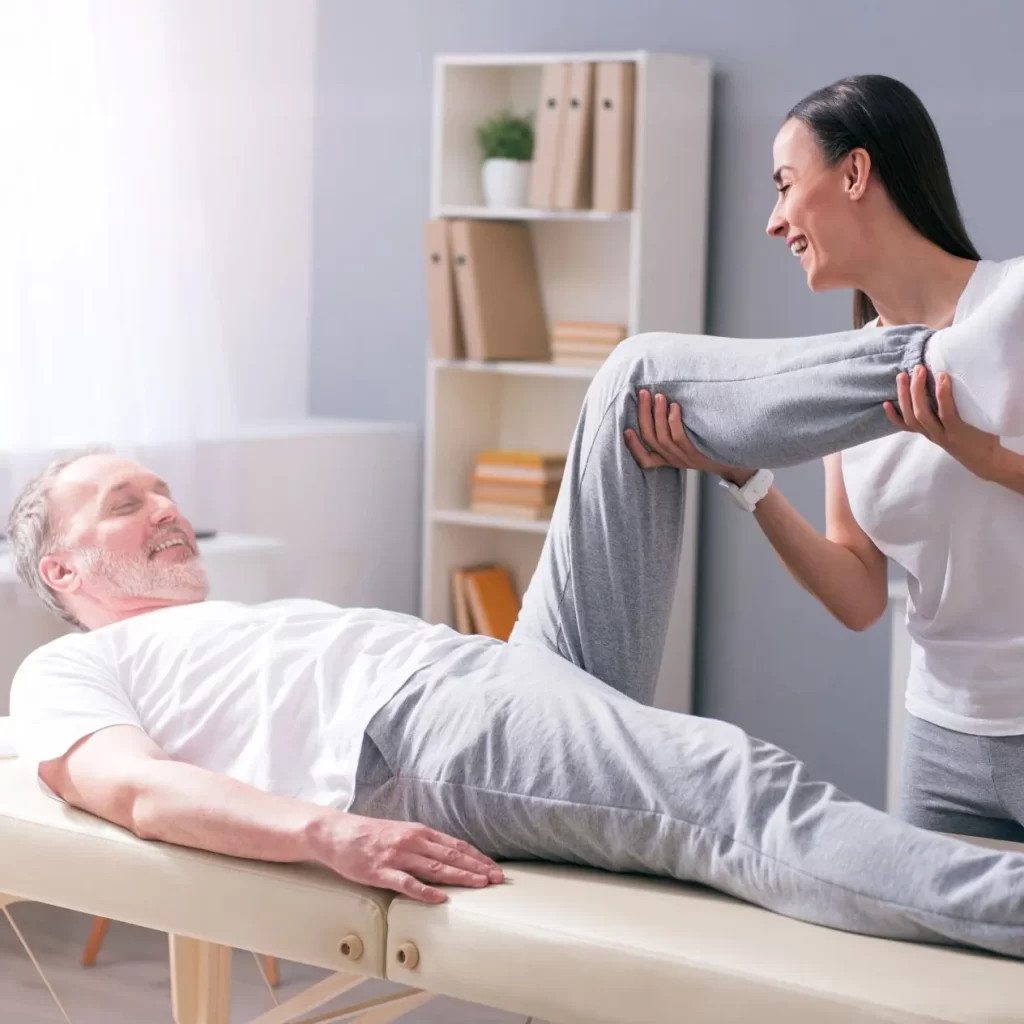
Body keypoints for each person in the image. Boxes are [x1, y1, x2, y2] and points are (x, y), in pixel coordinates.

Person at [9, 238, 1024, 962]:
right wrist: (329, 836)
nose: (165, 505)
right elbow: (136, 790)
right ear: (62, 571)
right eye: (123, 501)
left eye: (161, 486)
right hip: (419, 734)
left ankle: (937, 356)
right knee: (730, 783)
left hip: (495, 667)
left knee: (633, 381)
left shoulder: (218, 624)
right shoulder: (64, 669)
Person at [626, 74, 1024, 843]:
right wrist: (744, 477)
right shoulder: (843, 375)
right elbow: (859, 595)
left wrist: (986, 457)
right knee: (925, 968)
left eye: (784, 185)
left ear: (855, 173)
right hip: (941, 742)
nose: (774, 222)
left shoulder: (1014, 306)